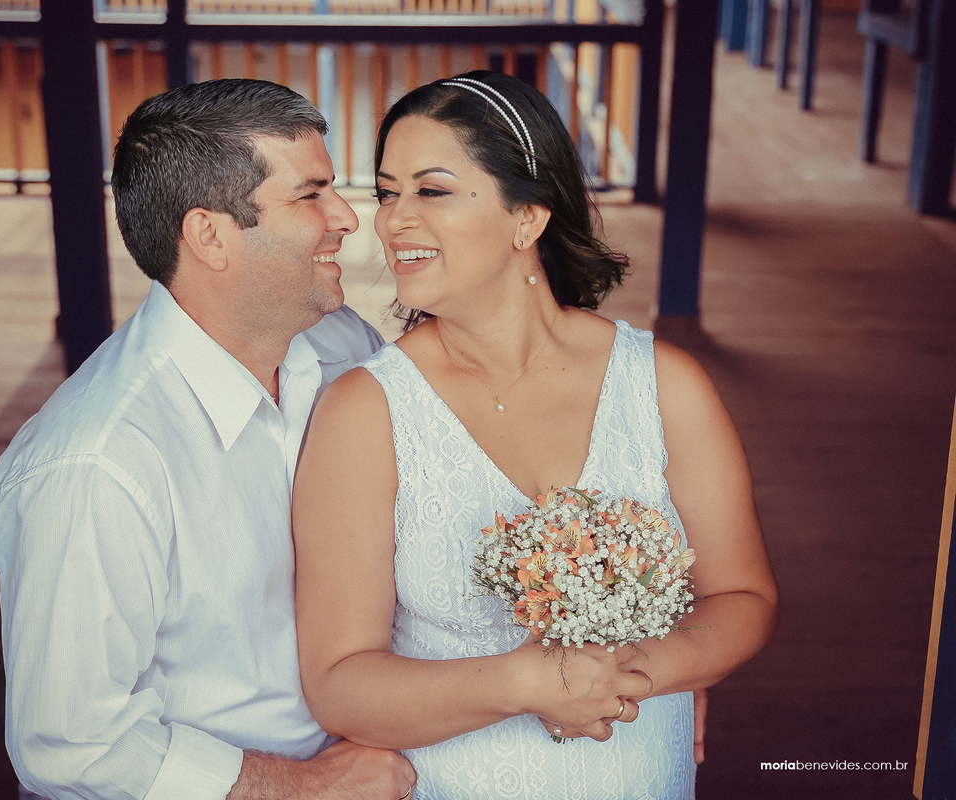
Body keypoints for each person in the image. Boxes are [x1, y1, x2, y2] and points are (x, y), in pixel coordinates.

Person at [293, 71, 779, 798]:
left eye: (432, 191)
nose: (391, 222)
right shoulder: (365, 411)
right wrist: (525, 683)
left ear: (527, 218)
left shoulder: (664, 386)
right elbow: (339, 684)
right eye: (388, 193)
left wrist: (630, 672)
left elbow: (743, 596)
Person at [0, 79, 417, 800]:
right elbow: (73, 745)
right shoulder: (96, 465)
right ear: (210, 236)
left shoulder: (343, 345)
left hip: (380, 755)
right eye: (310, 195)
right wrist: (307, 788)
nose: (348, 217)